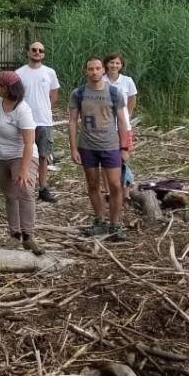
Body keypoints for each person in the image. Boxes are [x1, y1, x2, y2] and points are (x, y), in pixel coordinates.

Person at [68, 57, 129, 241]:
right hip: (87, 146)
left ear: (103, 70)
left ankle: (115, 224)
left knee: (115, 185)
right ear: (86, 71)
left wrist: (124, 146)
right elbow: (72, 122)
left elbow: (122, 121)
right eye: (90, 69)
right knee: (93, 185)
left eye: (97, 68)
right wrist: (73, 148)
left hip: (110, 146)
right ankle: (100, 221)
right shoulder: (78, 94)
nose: (94, 72)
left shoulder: (114, 92)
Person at [0, 71, 44, 255]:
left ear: (7, 88)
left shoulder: (23, 110)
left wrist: (23, 169)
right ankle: (14, 234)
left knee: (25, 191)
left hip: (21, 154)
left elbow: (29, 143)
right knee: (10, 195)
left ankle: (28, 236)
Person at [15, 42, 60, 203]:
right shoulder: (19, 73)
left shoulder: (50, 72)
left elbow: (54, 96)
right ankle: (23, 187)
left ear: (44, 54)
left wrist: (45, 109)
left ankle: (42, 188)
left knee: (43, 155)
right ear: (28, 52)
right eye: (34, 49)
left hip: (44, 121)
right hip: (24, 121)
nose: (37, 52)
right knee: (23, 154)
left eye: (41, 50)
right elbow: (15, 97)